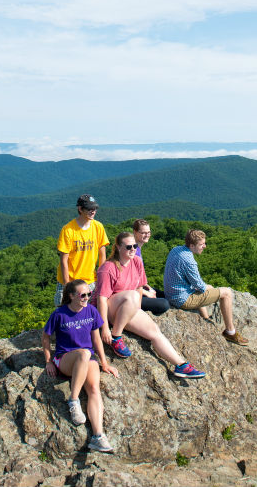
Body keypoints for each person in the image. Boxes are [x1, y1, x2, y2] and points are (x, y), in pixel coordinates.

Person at [93, 232, 206, 378]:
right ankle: (116, 337)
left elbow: (140, 287)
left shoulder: (137, 262)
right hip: (109, 309)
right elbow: (101, 299)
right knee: (132, 295)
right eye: (128, 247)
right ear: (118, 247)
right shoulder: (108, 268)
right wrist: (104, 329)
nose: (133, 249)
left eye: (134, 246)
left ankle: (181, 365)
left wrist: (136, 310)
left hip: (127, 307)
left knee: (155, 332)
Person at [42, 280, 120, 453]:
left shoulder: (91, 311)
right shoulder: (59, 314)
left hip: (87, 357)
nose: (86, 298)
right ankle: (73, 400)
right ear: (71, 296)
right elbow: (45, 337)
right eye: (82, 295)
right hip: (65, 358)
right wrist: (49, 361)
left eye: (88, 294)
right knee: (84, 353)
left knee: (94, 388)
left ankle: (98, 436)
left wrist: (104, 363)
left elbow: (96, 338)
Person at [164, 229, 248, 345]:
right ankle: (230, 332)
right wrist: (210, 288)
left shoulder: (176, 250)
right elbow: (200, 287)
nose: (204, 246)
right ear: (192, 245)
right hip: (181, 299)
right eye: (201, 244)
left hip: (171, 294)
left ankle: (206, 319)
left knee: (204, 288)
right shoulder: (189, 260)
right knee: (226, 293)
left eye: (204, 243)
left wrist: (207, 287)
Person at [55, 194, 109, 306]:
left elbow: (102, 255)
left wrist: (102, 278)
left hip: (90, 280)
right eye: (89, 209)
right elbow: (63, 261)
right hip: (70, 280)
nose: (93, 211)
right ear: (80, 209)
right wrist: (67, 287)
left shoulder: (98, 227)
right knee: (65, 315)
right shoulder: (68, 230)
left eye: (95, 208)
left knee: (89, 314)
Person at [131, 219, 170, 316]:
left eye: (148, 232)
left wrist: (148, 287)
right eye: (143, 232)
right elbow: (129, 282)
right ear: (135, 232)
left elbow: (140, 278)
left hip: (139, 288)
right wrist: (146, 293)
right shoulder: (132, 251)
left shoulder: (138, 249)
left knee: (166, 296)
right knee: (164, 304)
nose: (147, 235)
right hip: (132, 293)